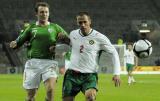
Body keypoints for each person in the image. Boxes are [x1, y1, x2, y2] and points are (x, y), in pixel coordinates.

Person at [10, 2, 68, 101]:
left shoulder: (55, 27)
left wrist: (63, 39)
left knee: (50, 90)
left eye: (46, 12)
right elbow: (17, 42)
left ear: (49, 13)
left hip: (50, 62)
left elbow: (69, 41)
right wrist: (14, 44)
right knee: (30, 97)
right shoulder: (31, 28)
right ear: (36, 14)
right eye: (41, 12)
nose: (44, 14)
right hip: (33, 64)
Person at [62, 11, 121, 101]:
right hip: (72, 75)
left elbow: (114, 53)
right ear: (77, 22)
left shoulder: (99, 37)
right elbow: (73, 46)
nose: (82, 24)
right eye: (80, 22)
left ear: (90, 21)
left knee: (90, 97)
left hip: (89, 75)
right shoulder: (73, 34)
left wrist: (117, 73)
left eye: (85, 22)